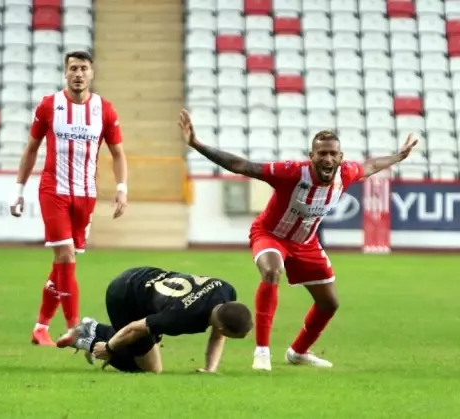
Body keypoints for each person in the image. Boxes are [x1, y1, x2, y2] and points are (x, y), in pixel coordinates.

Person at [179, 109, 418, 371]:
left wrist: (398, 156)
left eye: (332, 154)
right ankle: (262, 352)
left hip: (306, 242)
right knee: (271, 271)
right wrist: (197, 144)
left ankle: (298, 352)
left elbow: (371, 166)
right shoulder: (290, 172)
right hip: (271, 234)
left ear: (341, 158)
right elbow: (243, 166)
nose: (327, 158)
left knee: (329, 303)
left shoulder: (346, 174)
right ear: (311, 156)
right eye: (321, 153)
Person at [9, 51, 129, 346]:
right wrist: (18, 190)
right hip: (54, 191)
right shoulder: (50, 106)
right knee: (66, 257)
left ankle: (40, 327)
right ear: (65, 73)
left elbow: (117, 153)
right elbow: (31, 149)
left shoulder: (105, 110)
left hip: (85, 195)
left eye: (84, 68)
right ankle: (76, 329)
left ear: (91, 74)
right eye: (73, 68)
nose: (78, 73)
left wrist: (122, 187)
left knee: (61, 266)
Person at [56, 266, 253, 373]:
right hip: (125, 295)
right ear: (221, 327)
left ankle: (94, 331)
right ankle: (89, 336)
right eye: (230, 334)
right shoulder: (180, 317)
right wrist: (108, 348)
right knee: (151, 369)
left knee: (144, 346)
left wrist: (210, 370)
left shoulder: (226, 292)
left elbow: (218, 335)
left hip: (145, 276)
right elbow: (135, 328)